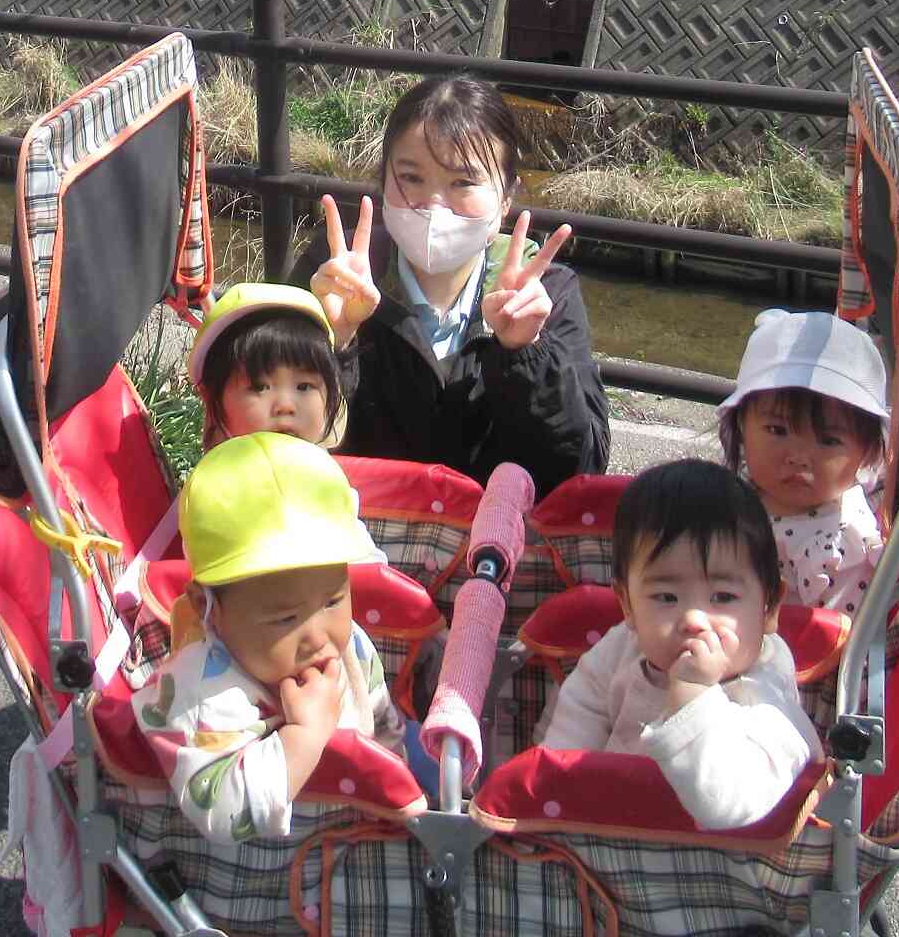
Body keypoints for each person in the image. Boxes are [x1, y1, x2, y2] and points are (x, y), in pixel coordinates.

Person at [298, 75, 610, 490]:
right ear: (383, 179)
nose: (434, 204)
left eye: (463, 182)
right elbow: (276, 446)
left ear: (506, 199)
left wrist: (526, 355)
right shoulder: (335, 274)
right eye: (410, 178)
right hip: (360, 531)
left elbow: (579, 466)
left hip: (494, 544)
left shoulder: (546, 293)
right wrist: (332, 345)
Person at [536, 458, 821, 830]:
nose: (694, 620)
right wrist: (556, 792)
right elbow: (577, 716)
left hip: (707, 869)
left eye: (722, 597)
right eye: (667, 597)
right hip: (600, 840)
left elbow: (725, 803)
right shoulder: (621, 648)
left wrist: (695, 696)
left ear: (769, 608)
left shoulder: (768, 700)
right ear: (627, 605)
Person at [142, 433, 397, 842]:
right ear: (210, 607)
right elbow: (223, 812)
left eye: (333, 600)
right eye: (285, 619)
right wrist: (304, 737)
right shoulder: (199, 694)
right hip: (291, 867)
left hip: (369, 828)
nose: (317, 635)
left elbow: (381, 720)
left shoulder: (351, 647)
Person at [715, 308, 891, 613]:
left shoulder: (839, 545)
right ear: (741, 426)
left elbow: (833, 643)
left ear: (868, 452)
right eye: (777, 430)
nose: (798, 457)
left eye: (828, 440)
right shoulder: (734, 493)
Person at [187, 281, 343, 449]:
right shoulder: (214, 475)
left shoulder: (326, 473)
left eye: (304, 386)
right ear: (215, 403)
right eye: (259, 387)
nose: (285, 406)